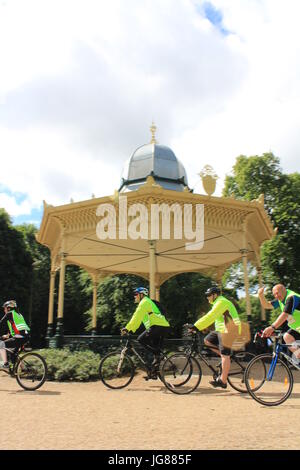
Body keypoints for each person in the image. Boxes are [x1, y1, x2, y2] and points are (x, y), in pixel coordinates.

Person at [190, 286, 241, 389]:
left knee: (224, 355)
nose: (207, 297)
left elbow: (211, 316)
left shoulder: (221, 302)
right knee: (207, 341)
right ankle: (224, 358)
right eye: (206, 296)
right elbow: (214, 319)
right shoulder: (217, 304)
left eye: (209, 295)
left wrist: (196, 326)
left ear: (215, 295)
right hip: (221, 329)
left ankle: (223, 380)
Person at [121, 287, 170, 377]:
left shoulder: (144, 302)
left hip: (159, 326)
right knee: (155, 352)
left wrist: (128, 328)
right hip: (161, 326)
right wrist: (131, 329)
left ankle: (158, 354)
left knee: (141, 340)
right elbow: (139, 320)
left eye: (136, 294)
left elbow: (136, 316)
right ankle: (154, 373)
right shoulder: (146, 303)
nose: (134, 296)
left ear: (141, 295)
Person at [258, 284, 300, 364]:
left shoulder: (291, 297)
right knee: (287, 337)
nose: (276, 296)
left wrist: (272, 327)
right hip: (298, 328)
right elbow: (267, 305)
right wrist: (260, 295)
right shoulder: (280, 300)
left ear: (284, 290)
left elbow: (285, 315)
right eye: (274, 294)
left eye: (277, 293)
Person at [0, 300, 30, 370]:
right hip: (25, 337)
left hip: (20, 337)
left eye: (5, 308)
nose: (4, 310)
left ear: (9, 308)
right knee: (13, 354)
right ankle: (24, 368)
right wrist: (7, 335)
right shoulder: (18, 314)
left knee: (1, 344)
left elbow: (1, 323)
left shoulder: (9, 313)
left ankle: (6, 364)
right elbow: (16, 327)